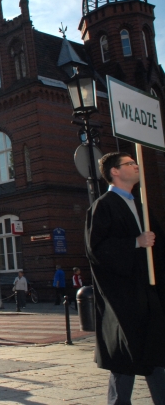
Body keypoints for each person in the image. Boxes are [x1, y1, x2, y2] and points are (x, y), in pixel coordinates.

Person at [85, 152, 165, 403]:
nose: (136, 166)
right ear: (115, 171)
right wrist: (135, 242)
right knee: (124, 359)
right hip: (123, 298)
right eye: (130, 163)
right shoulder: (103, 206)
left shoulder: (141, 206)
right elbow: (96, 249)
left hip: (148, 293)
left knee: (155, 354)